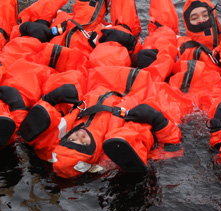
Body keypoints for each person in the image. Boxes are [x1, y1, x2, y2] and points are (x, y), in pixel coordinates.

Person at [16, 65, 192, 177]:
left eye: (72, 139)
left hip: (99, 79)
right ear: (92, 154)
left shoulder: (58, 139)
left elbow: (40, 140)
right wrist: (160, 122)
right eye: (82, 144)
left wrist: (50, 99)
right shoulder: (112, 152)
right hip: (141, 92)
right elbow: (171, 152)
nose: (79, 136)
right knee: (171, 102)